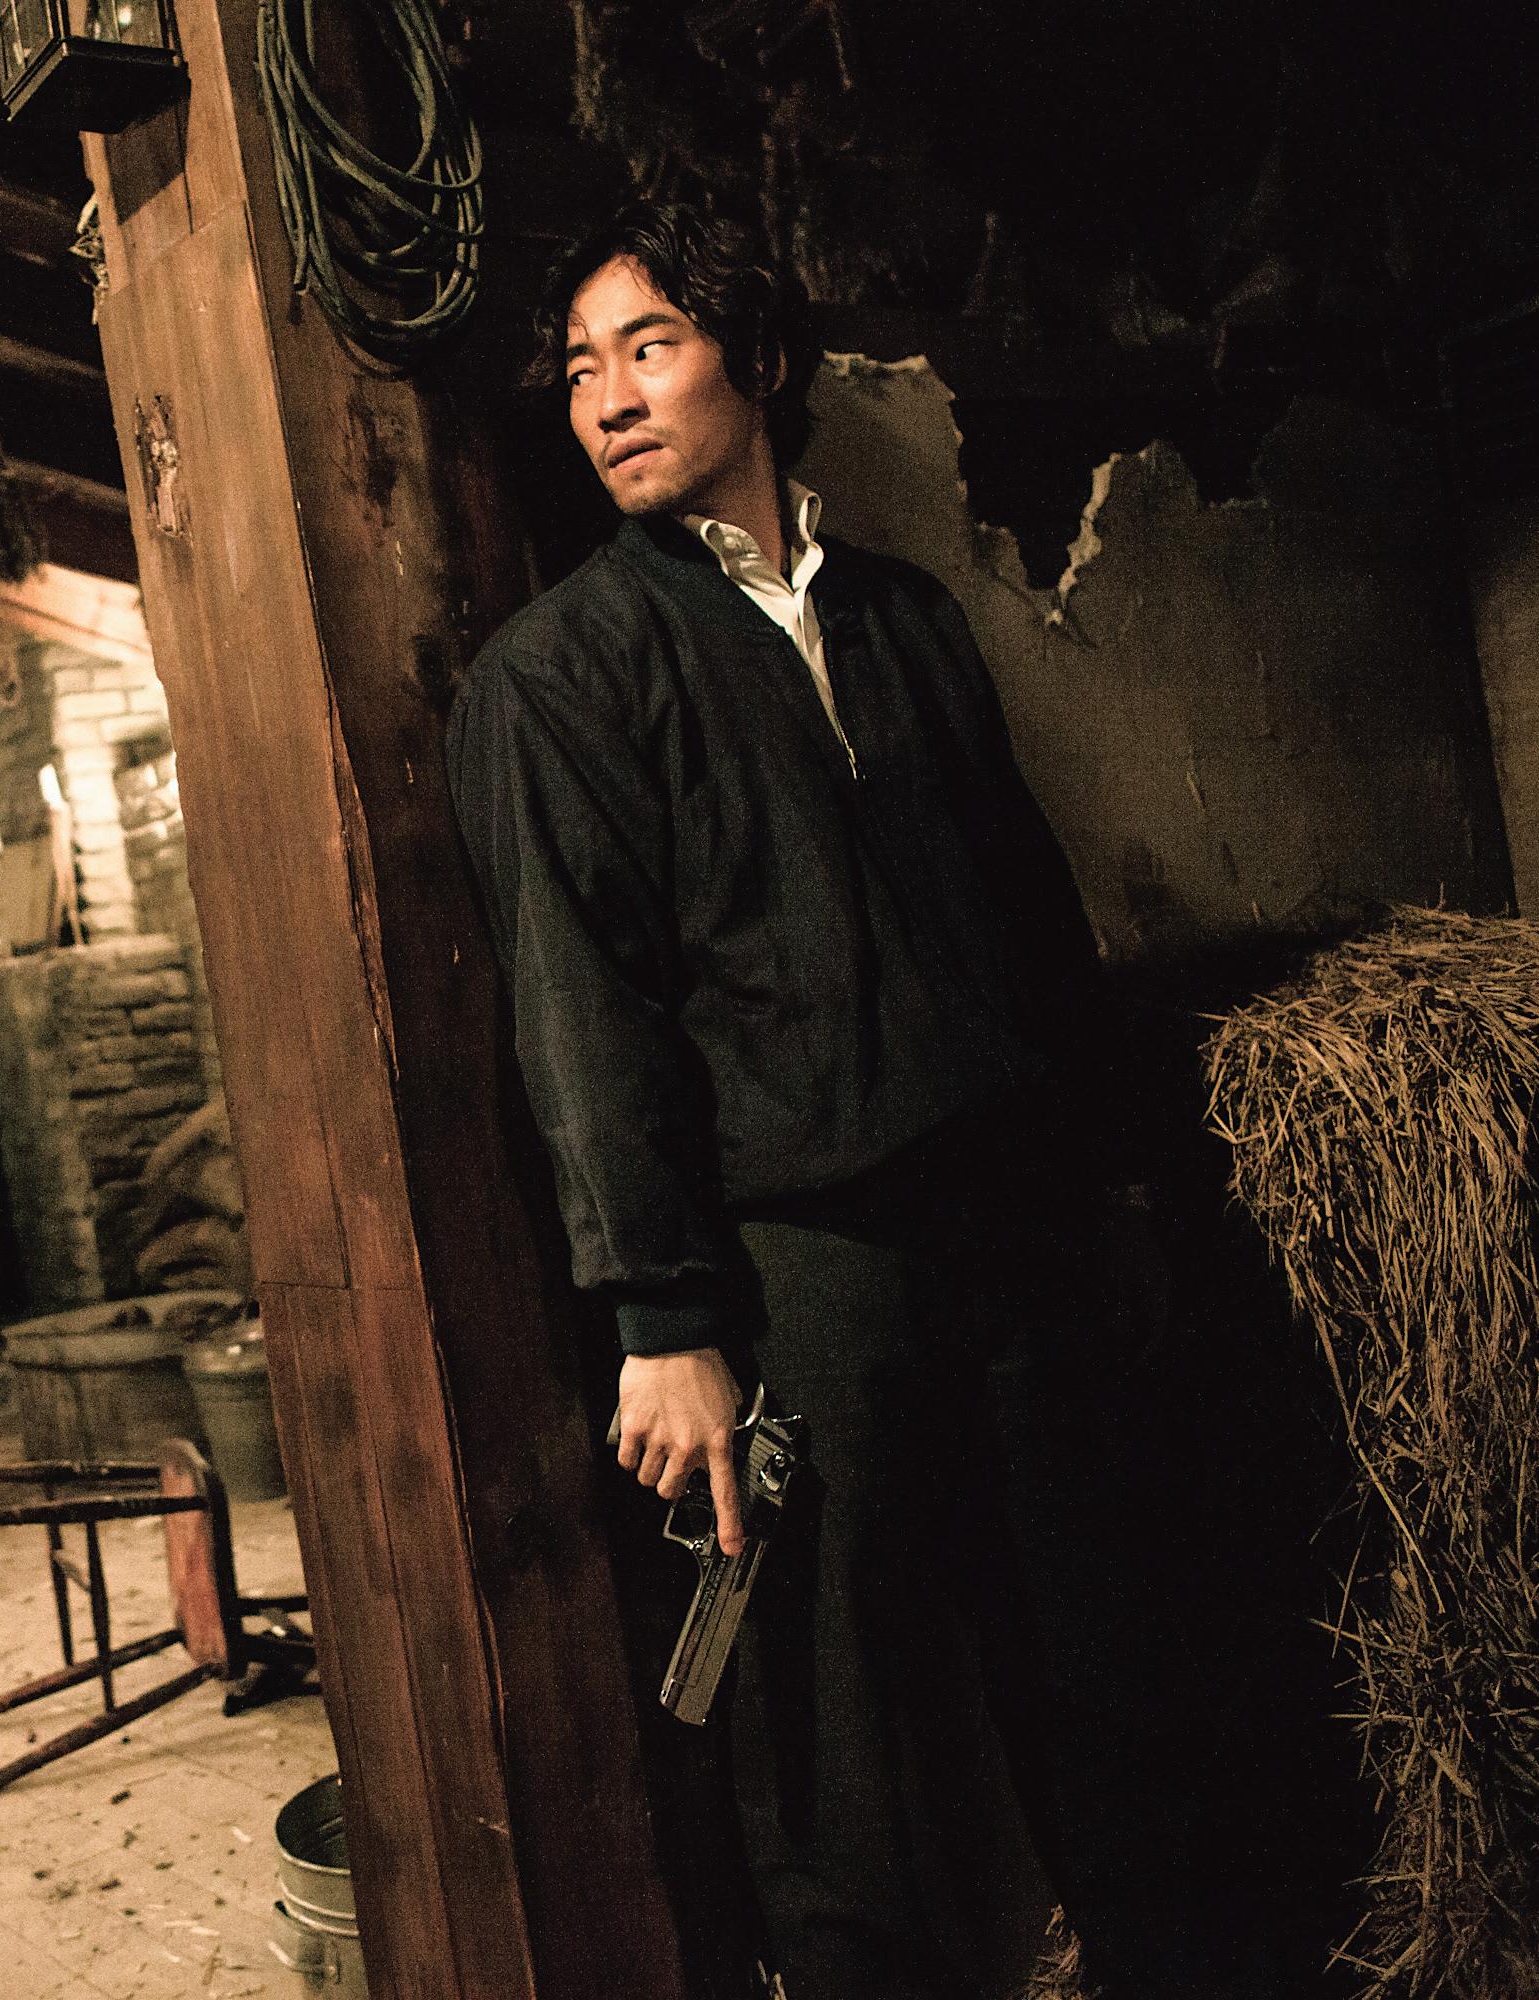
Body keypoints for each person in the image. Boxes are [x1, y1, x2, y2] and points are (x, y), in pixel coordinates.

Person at [446, 200, 1286, 1998]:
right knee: (841, 1768)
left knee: (1115, 1683)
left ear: (757, 360)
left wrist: (1114, 1194)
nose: (607, 398)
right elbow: (575, 1015)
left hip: (1015, 1234)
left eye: (649, 346)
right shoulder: (557, 673)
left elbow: (1024, 920)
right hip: (802, 1276)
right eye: (580, 369)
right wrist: (663, 1320)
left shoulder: (901, 617)